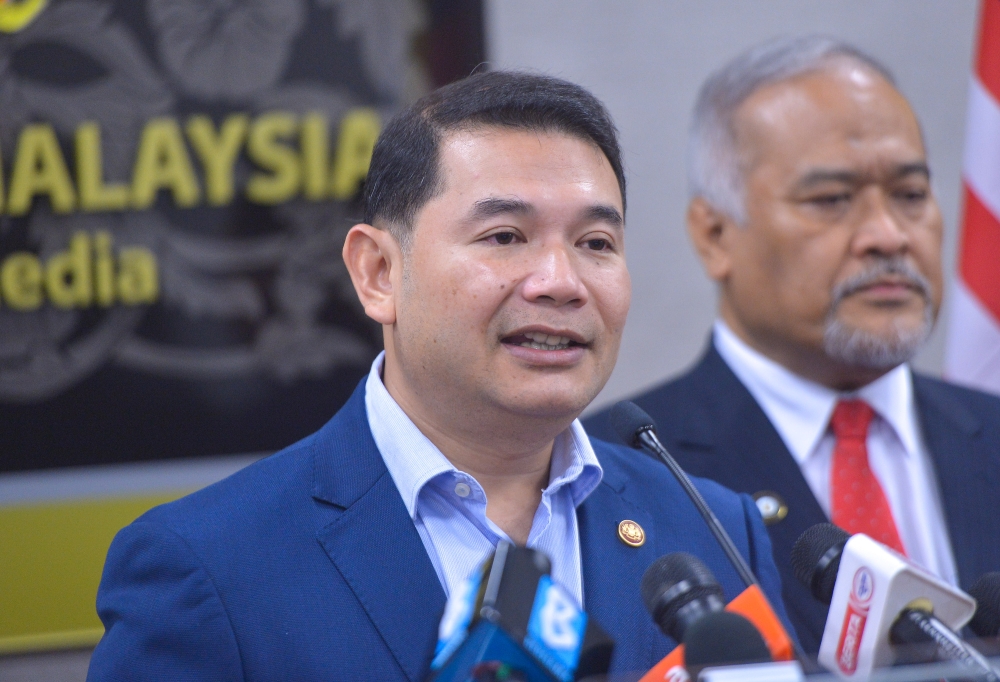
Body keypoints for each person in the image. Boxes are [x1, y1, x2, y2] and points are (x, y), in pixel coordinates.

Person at [87, 71, 790, 681]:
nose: (561, 281)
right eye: (505, 237)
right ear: (379, 273)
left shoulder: (714, 528)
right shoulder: (207, 566)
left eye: (596, 243)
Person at [585, 35, 1000, 654]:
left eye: (910, 195)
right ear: (715, 234)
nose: (888, 235)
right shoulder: (613, 472)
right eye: (831, 200)